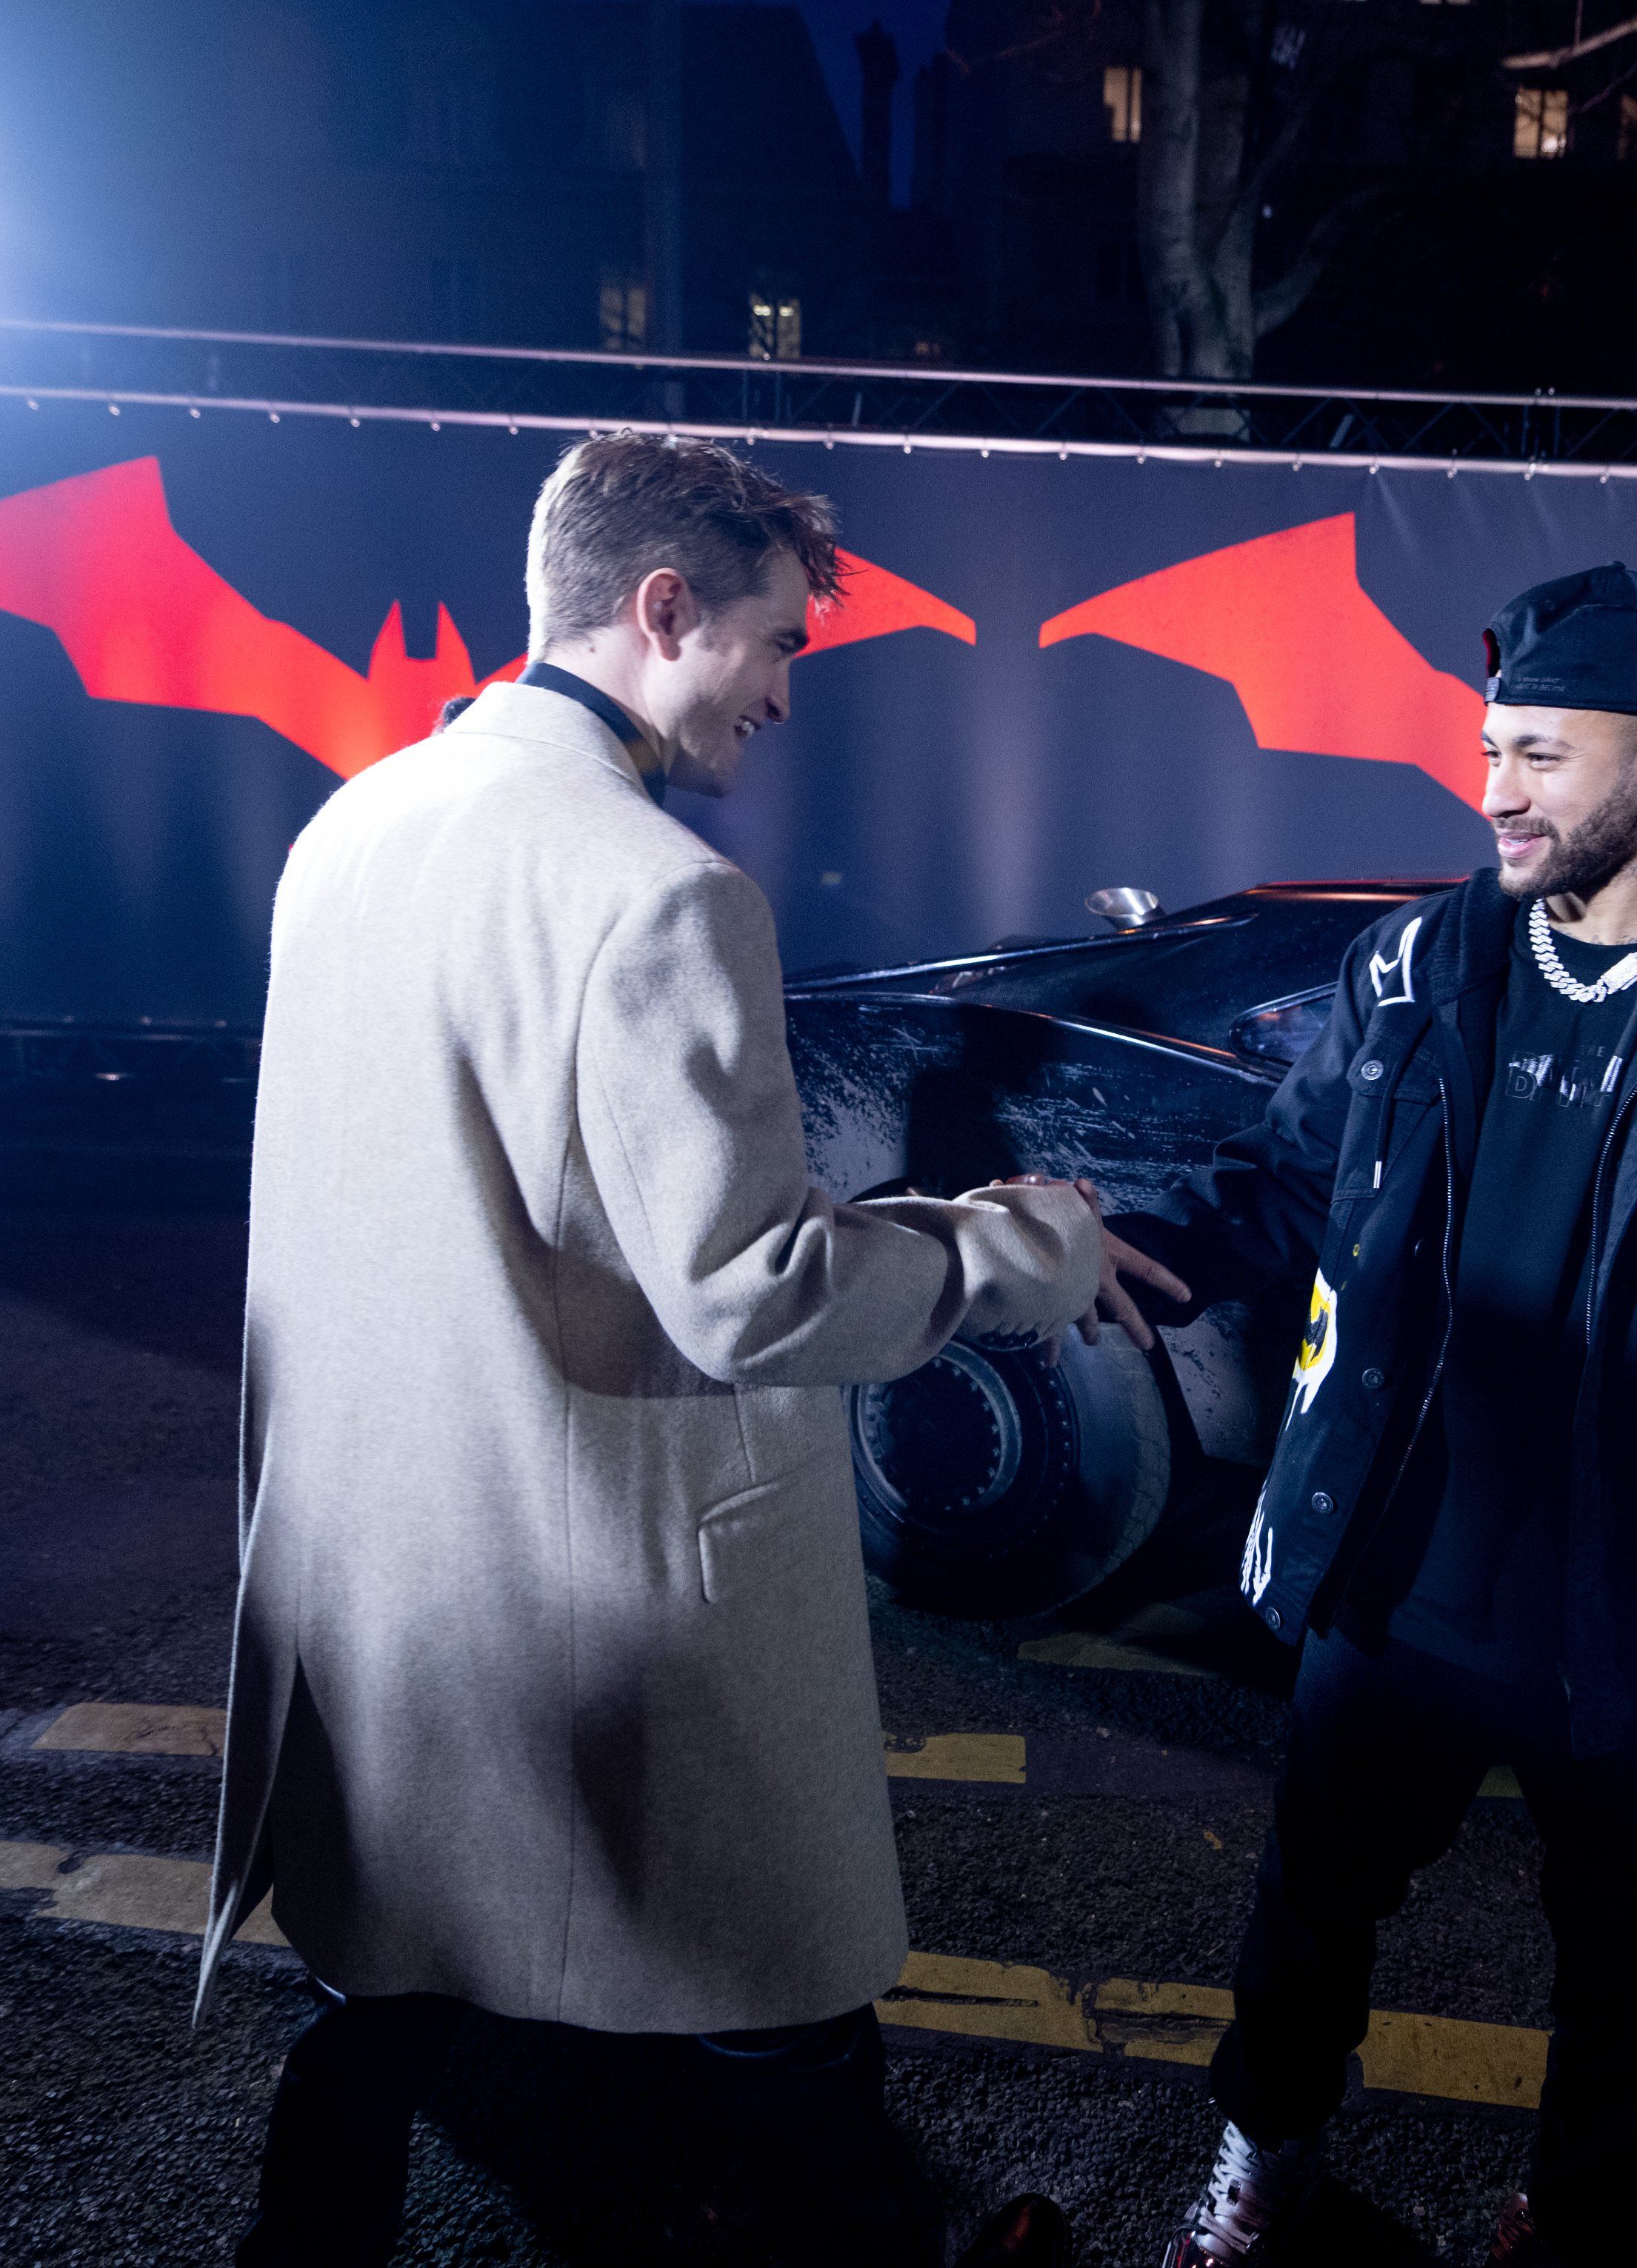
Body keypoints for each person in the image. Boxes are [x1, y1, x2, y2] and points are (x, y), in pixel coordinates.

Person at [205, 431, 1119, 2267]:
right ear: (662, 607)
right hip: (598, 1579)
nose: (783, 693)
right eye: (776, 643)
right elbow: (752, 1289)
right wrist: (1028, 1246)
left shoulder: (351, 827)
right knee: (776, 2003)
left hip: (376, 1562)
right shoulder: (661, 890)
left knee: (383, 1993)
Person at [1101, 564, 1637, 2268]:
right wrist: (1156, 1243)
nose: (1493, 790)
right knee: (1305, 1915)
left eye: (1541, 755)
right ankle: (1264, 2164)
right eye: (1490, 746)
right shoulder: (1418, 961)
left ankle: (1575, 2238)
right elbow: (1295, 1178)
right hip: (1393, 1567)